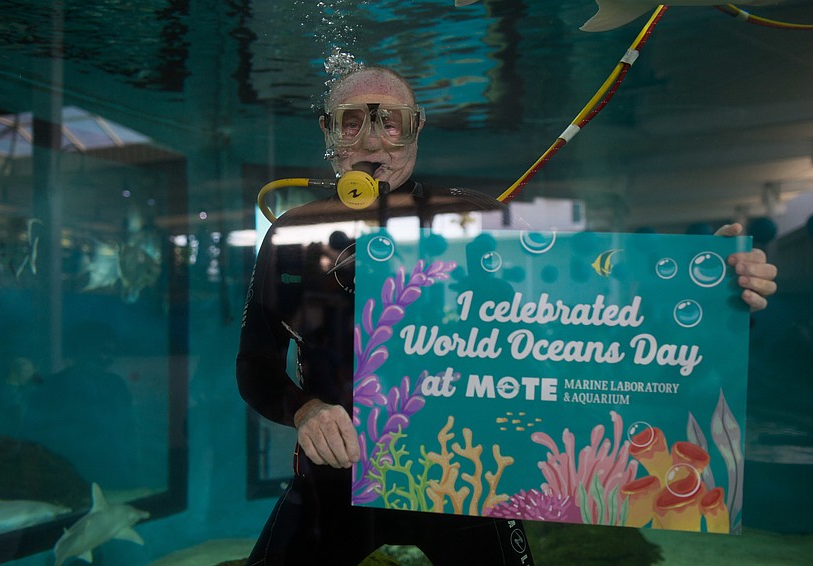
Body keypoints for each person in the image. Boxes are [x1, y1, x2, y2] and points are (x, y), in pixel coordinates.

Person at [236, 65, 777, 565]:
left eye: (391, 123)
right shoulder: (291, 237)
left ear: (417, 129)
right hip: (334, 476)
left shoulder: (477, 221)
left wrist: (719, 294)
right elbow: (254, 364)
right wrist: (305, 411)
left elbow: (595, 324)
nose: (373, 141)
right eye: (351, 124)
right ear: (328, 133)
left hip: (465, 475)